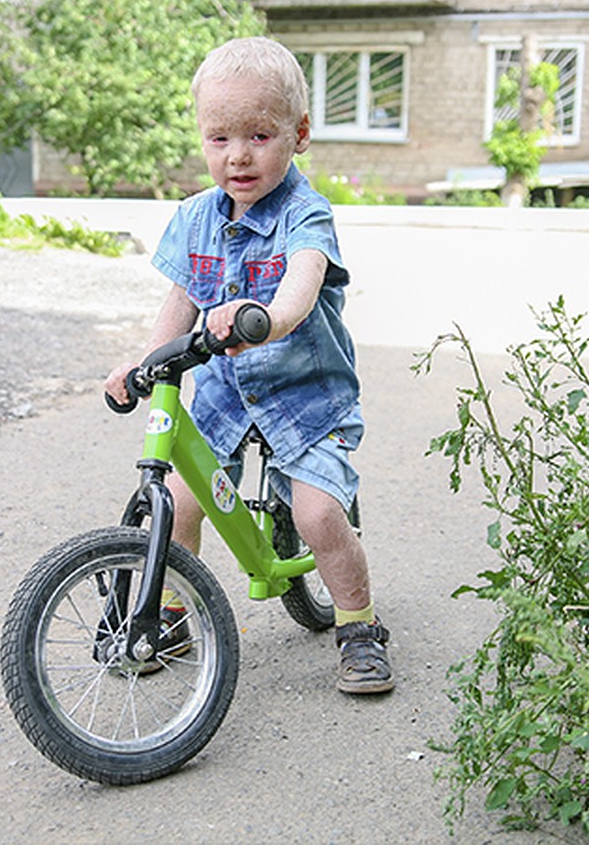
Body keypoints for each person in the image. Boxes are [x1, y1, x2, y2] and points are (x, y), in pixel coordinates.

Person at [105, 37, 394, 694]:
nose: (237, 155)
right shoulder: (192, 218)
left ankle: (359, 629)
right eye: (219, 138)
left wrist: (266, 318)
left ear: (299, 134)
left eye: (260, 135)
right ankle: (171, 615)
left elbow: (301, 284)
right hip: (224, 398)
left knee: (320, 515)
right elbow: (179, 299)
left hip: (306, 397)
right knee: (176, 503)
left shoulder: (304, 212)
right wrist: (144, 365)